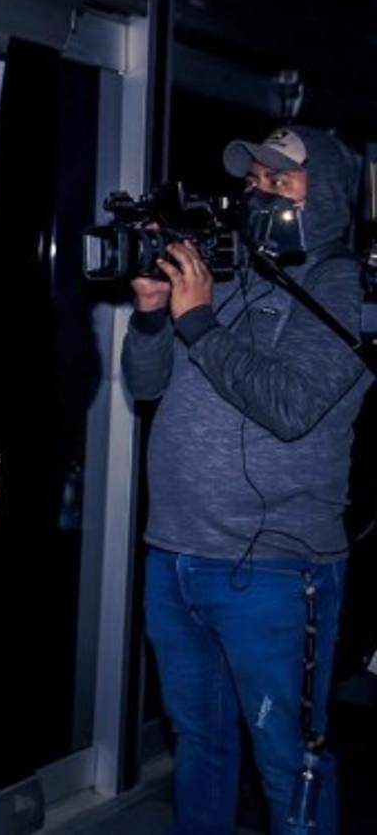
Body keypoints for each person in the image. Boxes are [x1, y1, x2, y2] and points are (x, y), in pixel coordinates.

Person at [122, 125, 372, 834]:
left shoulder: (347, 286)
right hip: (174, 553)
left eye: (280, 181)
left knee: (289, 756)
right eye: (255, 179)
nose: (259, 192)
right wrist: (150, 319)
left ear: (323, 194)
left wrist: (196, 320)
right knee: (199, 745)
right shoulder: (227, 271)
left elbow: (291, 407)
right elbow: (146, 386)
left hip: (276, 569)